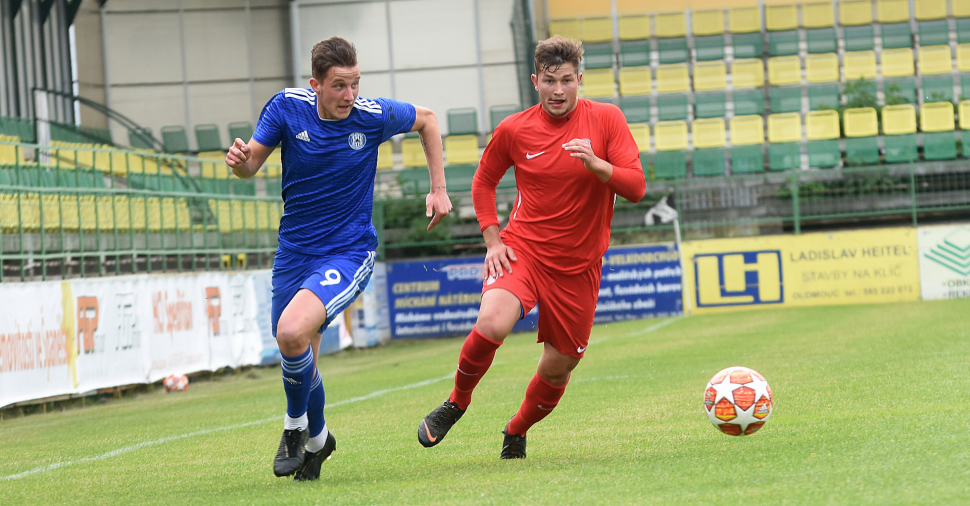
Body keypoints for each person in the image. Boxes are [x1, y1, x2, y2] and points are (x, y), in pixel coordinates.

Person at [226, 36, 452, 480]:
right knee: (298, 349)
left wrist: (439, 188)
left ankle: (294, 428)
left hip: (348, 252)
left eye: (355, 84)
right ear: (316, 85)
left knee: (292, 333)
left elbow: (427, 120)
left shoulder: (371, 116)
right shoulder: (286, 108)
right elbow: (250, 164)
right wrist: (238, 161)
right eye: (339, 86)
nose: (350, 95)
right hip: (294, 251)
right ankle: (319, 440)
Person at [416, 35, 645, 459]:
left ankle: (516, 429)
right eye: (549, 81)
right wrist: (492, 237)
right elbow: (483, 181)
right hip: (523, 250)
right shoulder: (515, 128)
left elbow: (636, 186)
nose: (558, 91)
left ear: (581, 80)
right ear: (534, 81)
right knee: (492, 322)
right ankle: (456, 402)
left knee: (559, 368)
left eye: (567, 81)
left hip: (579, 266)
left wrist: (598, 165)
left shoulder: (608, 120)